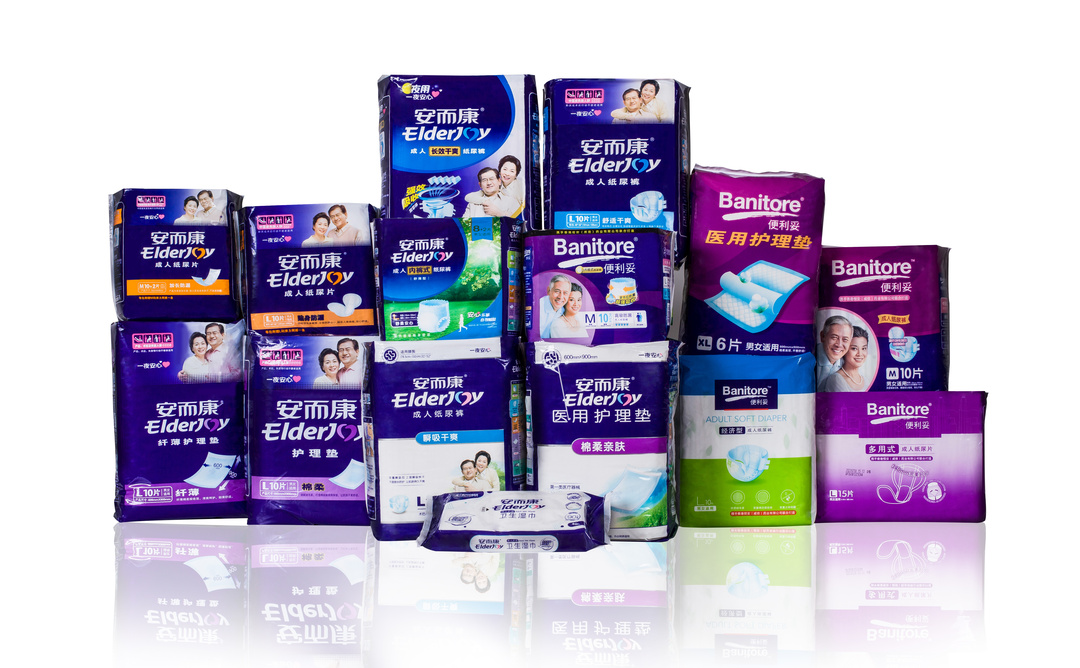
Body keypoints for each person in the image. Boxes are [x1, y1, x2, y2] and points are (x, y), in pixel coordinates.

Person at [823, 326, 870, 392]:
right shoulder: (836, 379)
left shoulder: (866, 381)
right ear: (844, 349)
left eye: (864, 348)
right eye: (854, 348)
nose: (860, 354)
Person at [816, 315, 852, 390]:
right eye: (834, 337)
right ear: (822, 336)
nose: (839, 344)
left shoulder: (848, 363)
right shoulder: (807, 360)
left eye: (845, 339)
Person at [538, 274, 572, 338]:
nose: (560, 297)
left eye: (565, 293)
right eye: (557, 291)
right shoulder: (537, 308)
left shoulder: (566, 310)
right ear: (549, 291)